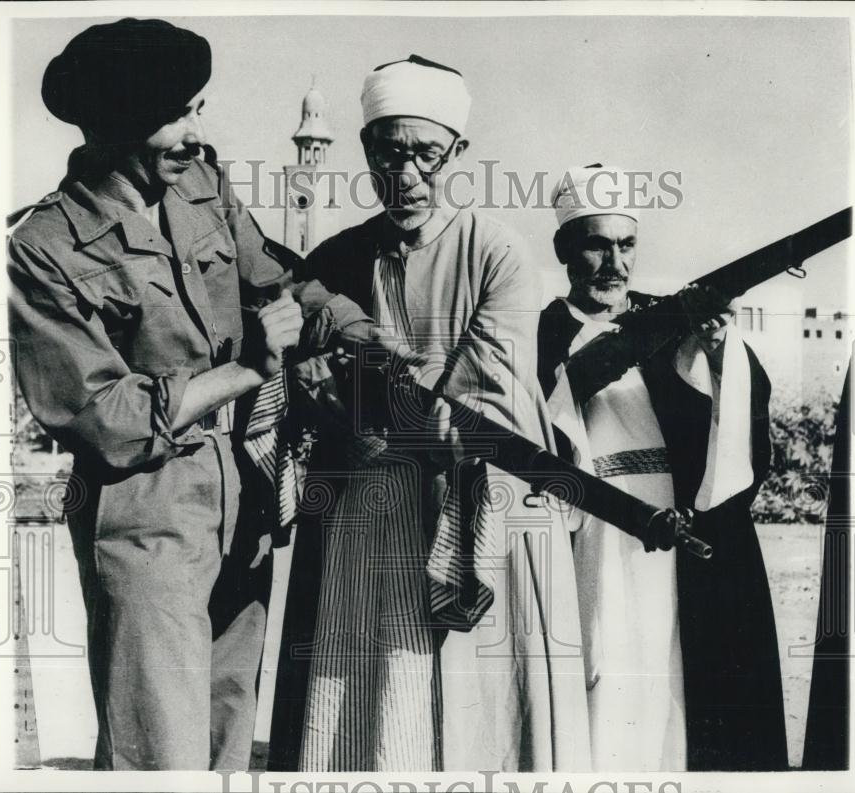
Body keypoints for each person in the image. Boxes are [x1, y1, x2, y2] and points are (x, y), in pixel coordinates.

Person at [7, 18, 371, 770]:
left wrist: (348, 322)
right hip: (145, 512)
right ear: (119, 125)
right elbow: (105, 416)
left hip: (245, 495)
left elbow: (273, 274)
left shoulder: (203, 188)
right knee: (160, 749)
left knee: (227, 735)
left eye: (198, 108)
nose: (198, 134)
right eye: (180, 114)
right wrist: (246, 371)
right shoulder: (41, 249)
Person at [267, 55, 590, 773]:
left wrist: (368, 388)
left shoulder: (497, 253)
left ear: (458, 154)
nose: (406, 175)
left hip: (474, 508)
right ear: (365, 152)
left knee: (475, 716)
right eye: (388, 151)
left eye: (425, 153)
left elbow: (485, 401)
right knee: (363, 711)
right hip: (365, 514)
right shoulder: (336, 258)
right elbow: (301, 385)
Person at [537, 165, 789, 771]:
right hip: (589, 530)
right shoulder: (541, 329)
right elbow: (541, 416)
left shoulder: (667, 319)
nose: (614, 264)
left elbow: (735, 424)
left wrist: (718, 346)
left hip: (679, 530)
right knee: (605, 665)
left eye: (626, 246)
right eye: (596, 244)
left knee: (677, 673)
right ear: (567, 249)